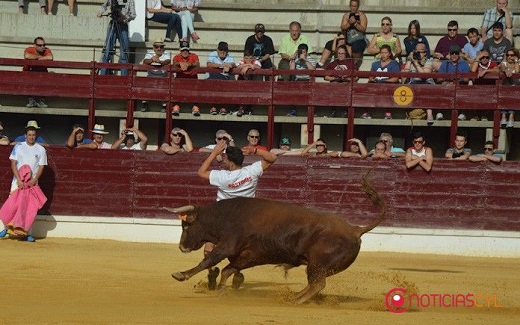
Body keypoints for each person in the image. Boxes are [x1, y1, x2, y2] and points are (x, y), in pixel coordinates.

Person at [197, 139, 277, 290]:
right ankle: (236, 272)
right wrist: (255, 151)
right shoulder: (251, 172)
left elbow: (201, 172)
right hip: (243, 221)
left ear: (231, 163)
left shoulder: (223, 177)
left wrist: (214, 153)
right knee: (238, 250)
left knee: (209, 248)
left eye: (225, 159)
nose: (223, 161)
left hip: (222, 220)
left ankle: (211, 269)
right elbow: (272, 158)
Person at [0, 125, 47, 242]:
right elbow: (13, 164)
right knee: (12, 206)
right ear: (25, 136)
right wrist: (19, 180)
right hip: (17, 182)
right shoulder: (18, 147)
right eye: (29, 135)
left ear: (36, 136)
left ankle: (27, 233)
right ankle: (6, 228)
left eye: (33, 135)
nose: (31, 137)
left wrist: (35, 179)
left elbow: (41, 167)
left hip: (32, 183)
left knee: (30, 208)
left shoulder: (41, 149)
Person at [97, 0, 136, 76]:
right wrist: (100, 12)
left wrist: (124, 17)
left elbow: (133, 14)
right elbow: (103, 6)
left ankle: (124, 78)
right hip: (112, 24)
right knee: (107, 52)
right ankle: (102, 77)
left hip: (123, 25)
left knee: (124, 53)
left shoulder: (130, 0)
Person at [141, 37, 172, 112]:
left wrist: (161, 62)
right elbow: (145, 62)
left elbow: (168, 61)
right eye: (157, 47)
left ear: (163, 48)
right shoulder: (149, 53)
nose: (159, 48)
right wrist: (152, 60)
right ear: (153, 48)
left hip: (163, 78)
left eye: (161, 47)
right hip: (151, 77)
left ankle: (164, 105)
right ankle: (145, 103)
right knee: (145, 83)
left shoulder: (166, 53)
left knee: (166, 84)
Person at [172, 41, 201, 116]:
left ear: (189, 50)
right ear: (180, 50)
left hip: (192, 80)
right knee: (175, 85)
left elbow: (197, 64)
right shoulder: (177, 57)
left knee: (196, 85)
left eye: (186, 50)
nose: (185, 52)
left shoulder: (194, 56)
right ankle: (176, 106)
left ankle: (195, 106)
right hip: (180, 81)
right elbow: (174, 63)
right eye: (183, 50)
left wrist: (189, 64)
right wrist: (180, 63)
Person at [24, 37, 53, 108]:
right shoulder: (29, 49)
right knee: (30, 77)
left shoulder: (46, 50)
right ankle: (32, 100)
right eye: (40, 45)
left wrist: (36, 58)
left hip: (41, 74)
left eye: (44, 45)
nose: (42, 47)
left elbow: (50, 57)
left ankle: (40, 100)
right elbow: (27, 56)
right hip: (29, 73)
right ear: (34, 45)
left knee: (45, 77)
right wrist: (40, 57)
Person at [340, 0, 368, 69]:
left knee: (356, 46)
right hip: (349, 39)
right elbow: (342, 27)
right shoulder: (346, 16)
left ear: (358, 7)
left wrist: (355, 23)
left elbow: (363, 29)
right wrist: (349, 23)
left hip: (359, 39)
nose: (353, 8)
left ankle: (354, 66)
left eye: (355, 6)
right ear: (350, 6)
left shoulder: (362, 15)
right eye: (352, 6)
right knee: (333, 44)